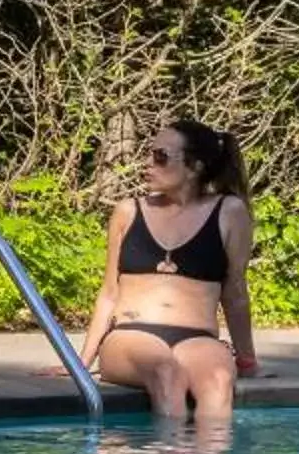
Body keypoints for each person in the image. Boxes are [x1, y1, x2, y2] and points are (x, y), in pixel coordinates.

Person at [76, 117, 260, 419]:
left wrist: (248, 360)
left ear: (195, 166)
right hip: (130, 335)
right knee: (166, 374)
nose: (147, 164)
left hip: (198, 338)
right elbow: (109, 293)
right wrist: (81, 361)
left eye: (160, 157)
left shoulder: (229, 212)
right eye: (149, 154)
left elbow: (235, 292)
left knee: (218, 381)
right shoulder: (128, 211)